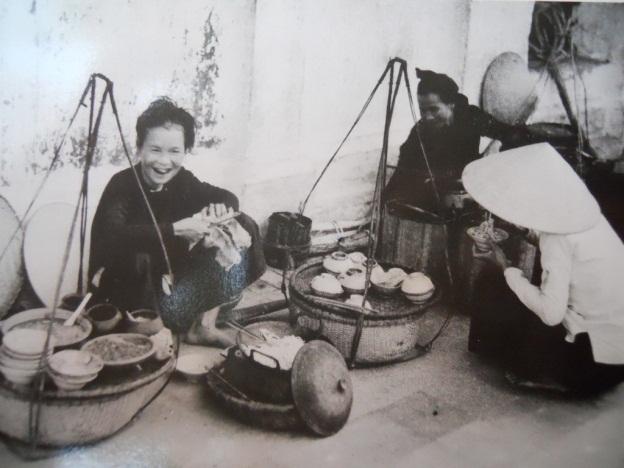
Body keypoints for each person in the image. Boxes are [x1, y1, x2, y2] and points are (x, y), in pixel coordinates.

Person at [88, 97, 266, 347]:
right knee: (138, 256)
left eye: (174, 151)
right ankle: (150, 336)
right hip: (128, 298)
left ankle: (203, 326)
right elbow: (114, 235)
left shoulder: (182, 180)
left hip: (171, 291)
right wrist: (175, 230)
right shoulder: (122, 185)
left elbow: (227, 196)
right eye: (155, 149)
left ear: (185, 151)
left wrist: (221, 207)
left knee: (241, 223)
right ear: (139, 148)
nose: (164, 162)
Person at [463, 143, 624, 395]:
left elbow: (551, 315)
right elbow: (567, 249)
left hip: (591, 367)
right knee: (522, 285)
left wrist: (505, 266)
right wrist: (525, 233)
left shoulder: (556, 237)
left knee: (495, 281)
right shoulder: (583, 214)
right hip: (615, 358)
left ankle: (543, 373)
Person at [384, 68, 532, 213]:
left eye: (434, 109)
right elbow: (402, 172)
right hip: (440, 192)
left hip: (472, 183)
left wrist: (497, 143)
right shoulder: (420, 131)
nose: (427, 117)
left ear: (451, 104)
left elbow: (512, 133)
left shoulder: (470, 116)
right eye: (423, 110)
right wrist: (385, 201)